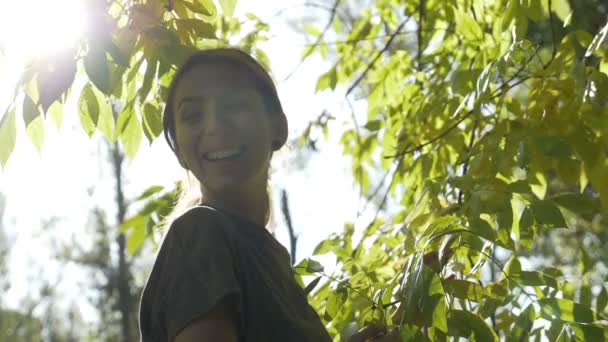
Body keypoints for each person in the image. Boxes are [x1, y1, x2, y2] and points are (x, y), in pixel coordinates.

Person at [138, 47, 399, 342]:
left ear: (278, 127)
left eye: (233, 106)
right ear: (179, 151)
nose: (213, 126)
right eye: (193, 115)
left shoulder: (274, 262)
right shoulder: (200, 232)